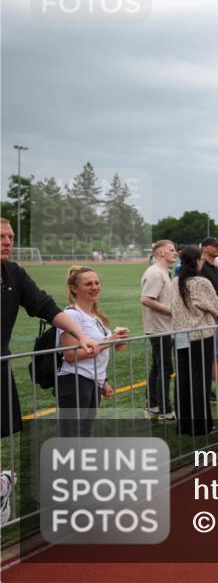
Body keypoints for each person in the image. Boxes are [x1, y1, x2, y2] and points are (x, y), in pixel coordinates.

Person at [1, 218, 99, 525]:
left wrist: (81, 335)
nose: (8, 241)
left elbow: (46, 307)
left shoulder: (14, 273)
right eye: (1, 236)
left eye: (11, 236)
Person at [56, 266, 130, 437]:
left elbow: (98, 349)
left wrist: (103, 381)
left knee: (83, 433)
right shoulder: (72, 315)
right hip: (74, 381)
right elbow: (70, 356)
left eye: (97, 283)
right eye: (88, 284)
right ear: (74, 288)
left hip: (91, 381)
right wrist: (109, 342)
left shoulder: (96, 317)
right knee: (73, 436)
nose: (95, 287)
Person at [170, 246, 218, 435]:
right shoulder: (200, 282)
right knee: (200, 381)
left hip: (181, 336)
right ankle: (200, 426)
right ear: (197, 261)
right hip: (200, 336)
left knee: (183, 380)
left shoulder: (175, 281)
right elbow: (216, 307)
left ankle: (183, 425)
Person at [140, 239, 177, 421]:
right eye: (171, 250)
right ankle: (165, 410)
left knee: (158, 367)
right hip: (159, 328)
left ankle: (153, 406)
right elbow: (146, 299)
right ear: (160, 253)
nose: (175, 252)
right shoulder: (155, 273)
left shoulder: (163, 272)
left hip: (162, 328)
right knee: (164, 368)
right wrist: (172, 311)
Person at [199, 237, 218, 403]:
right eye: (215, 246)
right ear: (204, 248)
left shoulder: (216, 269)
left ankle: (208, 391)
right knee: (215, 356)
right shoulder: (201, 267)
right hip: (210, 316)